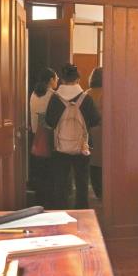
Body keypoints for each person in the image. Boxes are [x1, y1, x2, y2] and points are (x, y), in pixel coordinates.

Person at [45, 64, 101, 209]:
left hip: (60, 147)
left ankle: (60, 210)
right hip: (82, 147)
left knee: (60, 182)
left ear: (62, 80)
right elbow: (96, 120)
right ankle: (81, 210)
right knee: (82, 182)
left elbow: (49, 121)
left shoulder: (55, 98)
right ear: (78, 79)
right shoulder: (86, 99)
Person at [29, 67, 57, 207]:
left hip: (36, 136)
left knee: (39, 171)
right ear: (51, 80)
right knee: (50, 172)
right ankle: (49, 202)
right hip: (49, 136)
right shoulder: (53, 95)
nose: (57, 80)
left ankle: (39, 200)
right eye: (56, 78)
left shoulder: (34, 94)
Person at [87, 67, 103, 200]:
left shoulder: (87, 94)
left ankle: (98, 192)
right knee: (105, 162)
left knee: (93, 163)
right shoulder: (110, 92)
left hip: (90, 131)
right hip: (106, 132)